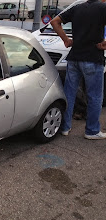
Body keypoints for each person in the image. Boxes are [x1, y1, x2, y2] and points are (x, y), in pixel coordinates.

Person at [50, 0, 106, 140]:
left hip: (74, 58)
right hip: (93, 58)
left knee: (69, 93)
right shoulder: (103, 8)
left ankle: (64, 127)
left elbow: (54, 22)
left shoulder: (76, 8)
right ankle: (92, 131)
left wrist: (66, 40)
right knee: (94, 96)